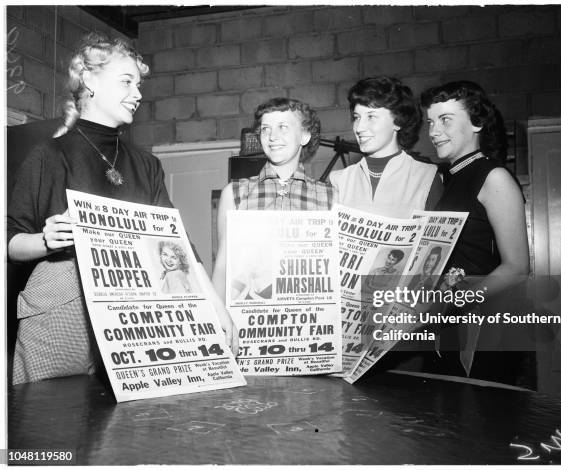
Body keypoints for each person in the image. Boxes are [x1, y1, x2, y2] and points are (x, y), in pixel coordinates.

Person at [7, 33, 237, 385]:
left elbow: (179, 246)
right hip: (62, 312)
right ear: (89, 80)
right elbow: (9, 241)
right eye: (127, 81)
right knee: (50, 424)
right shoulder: (49, 155)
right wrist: (45, 239)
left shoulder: (146, 165)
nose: (138, 94)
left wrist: (217, 308)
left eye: (139, 84)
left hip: (133, 312)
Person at [417, 80, 530, 381]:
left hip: (484, 331)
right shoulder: (451, 179)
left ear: (477, 123)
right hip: (451, 324)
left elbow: (517, 268)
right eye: (430, 122)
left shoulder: (494, 177)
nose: (434, 132)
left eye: (445, 120)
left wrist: (455, 301)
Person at [212, 98, 335, 301]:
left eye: (283, 127)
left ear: (304, 135)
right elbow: (223, 269)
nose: (272, 137)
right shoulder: (235, 193)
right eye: (266, 129)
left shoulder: (329, 197)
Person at [329, 76, 443, 218]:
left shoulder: (426, 177)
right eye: (357, 117)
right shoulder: (339, 180)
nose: (359, 128)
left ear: (398, 121)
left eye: (371, 117)